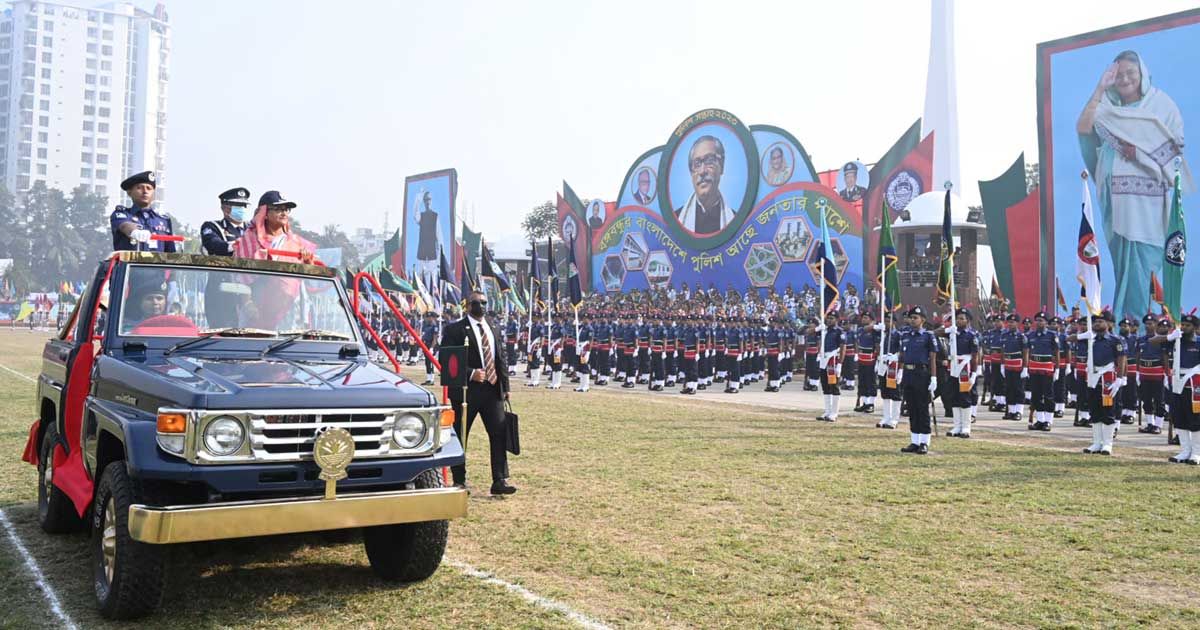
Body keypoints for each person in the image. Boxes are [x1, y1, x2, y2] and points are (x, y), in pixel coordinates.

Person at [1076, 50, 1192, 318]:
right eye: (1120, 75)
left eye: (1132, 73)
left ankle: (1145, 327)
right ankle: (1126, 328)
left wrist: (1138, 154)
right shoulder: (1106, 106)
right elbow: (1083, 129)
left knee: (1145, 267)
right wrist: (1099, 89)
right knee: (1124, 268)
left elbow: (1175, 155)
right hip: (1116, 207)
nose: (1126, 79)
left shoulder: (1162, 106)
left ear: (1143, 74)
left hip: (1149, 208)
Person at [442, 290, 516, 495]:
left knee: (499, 434)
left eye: (484, 302)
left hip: (493, 390)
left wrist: (506, 387)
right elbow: (447, 361)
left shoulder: (493, 327)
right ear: (467, 305)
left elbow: (501, 357)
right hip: (467, 392)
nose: (481, 306)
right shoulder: (455, 329)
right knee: (461, 436)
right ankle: (459, 481)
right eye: (476, 302)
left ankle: (499, 480)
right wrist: (471, 373)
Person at [1077, 311, 1127, 455]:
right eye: (1095, 322)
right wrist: (1082, 335)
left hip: (1108, 377)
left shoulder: (1115, 340)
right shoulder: (1091, 339)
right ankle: (1096, 442)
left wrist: (1120, 377)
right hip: (1093, 376)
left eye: (1100, 321)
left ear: (1109, 324)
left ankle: (1107, 444)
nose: (1096, 324)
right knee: (1095, 409)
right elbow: (1070, 338)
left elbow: (1121, 359)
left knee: (1108, 410)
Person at [201, 187, 252, 328]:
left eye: (244, 206)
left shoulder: (252, 229)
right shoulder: (213, 226)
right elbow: (213, 244)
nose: (242, 209)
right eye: (238, 206)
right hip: (222, 291)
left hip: (249, 291)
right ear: (225, 208)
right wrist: (236, 246)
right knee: (221, 330)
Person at [675, 135, 734, 235]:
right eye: (697, 164)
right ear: (691, 173)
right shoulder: (675, 221)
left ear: (722, 166)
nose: (702, 171)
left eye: (709, 161)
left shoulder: (737, 222)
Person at [899, 307, 938, 454]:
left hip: (922, 373)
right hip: (908, 373)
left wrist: (934, 377)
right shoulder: (905, 335)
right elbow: (902, 356)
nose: (912, 320)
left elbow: (933, 358)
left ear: (923, 319)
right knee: (912, 408)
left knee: (922, 408)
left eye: (915, 317)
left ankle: (924, 442)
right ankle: (914, 441)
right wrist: (900, 371)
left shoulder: (928, 336)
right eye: (911, 317)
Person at [110, 171, 177, 252]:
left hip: (156, 264)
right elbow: (125, 226)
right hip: (131, 264)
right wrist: (134, 231)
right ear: (129, 192)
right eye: (139, 187)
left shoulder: (164, 220)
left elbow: (170, 253)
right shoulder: (122, 214)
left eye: (149, 188)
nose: (145, 191)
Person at [413, 189, 441, 291]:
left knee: (432, 283)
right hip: (422, 255)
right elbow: (415, 214)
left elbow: (439, 238)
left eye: (429, 199)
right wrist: (418, 198)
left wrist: (439, 258)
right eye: (426, 199)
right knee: (421, 281)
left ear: (431, 201)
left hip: (432, 256)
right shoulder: (421, 216)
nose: (427, 201)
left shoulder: (435, 216)